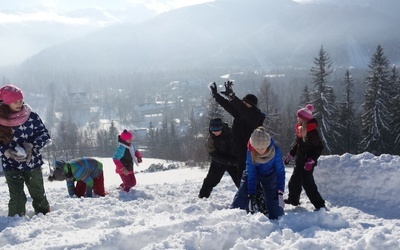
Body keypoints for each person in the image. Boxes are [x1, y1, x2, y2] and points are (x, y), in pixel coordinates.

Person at [209, 81, 267, 212]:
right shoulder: (243, 114)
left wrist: (232, 96)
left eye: (245, 103)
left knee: (250, 178)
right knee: (243, 178)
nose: (243, 105)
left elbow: (239, 107)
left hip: (249, 152)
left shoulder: (253, 115)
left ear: (251, 106)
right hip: (240, 151)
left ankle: (260, 203)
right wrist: (216, 96)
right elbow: (229, 107)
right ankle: (248, 201)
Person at [0, 84, 51, 216]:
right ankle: (15, 220)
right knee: (17, 197)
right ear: (6, 102)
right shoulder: (1, 120)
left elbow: (44, 134)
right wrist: (6, 151)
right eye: (15, 101)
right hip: (11, 164)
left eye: (21, 100)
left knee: (38, 193)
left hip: (32, 162)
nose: (19, 103)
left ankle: (44, 216)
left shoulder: (31, 116)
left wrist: (31, 146)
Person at [231, 126, 285, 219]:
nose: (260, 151)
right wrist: (251, 194)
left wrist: (280, 191)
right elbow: (251, 173)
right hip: (253, 174)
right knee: (243, 193)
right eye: (257, 149)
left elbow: (280, 172)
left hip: (270, 175)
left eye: (263, 148)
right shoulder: (250, 152)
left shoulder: (275, 151)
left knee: (276, 211)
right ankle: (234, 215)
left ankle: (273, 215)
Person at [283, 104, 326, 211]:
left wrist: (311, 160)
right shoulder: (301, 129)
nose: (297, 118)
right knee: (294, 181)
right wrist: (291, 154)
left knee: (308, 184)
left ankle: (319, 205)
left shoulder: (312, 132)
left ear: (304, 119)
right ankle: (293, 199)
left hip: (307, 163)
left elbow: (319, 147)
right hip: (300, 160)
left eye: (299, 117)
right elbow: (298, 145)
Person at [199, 118, 240, 198]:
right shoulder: (211, 138)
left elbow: (239, 146)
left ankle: (247, 197)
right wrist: (227, 161)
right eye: (213, 130)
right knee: (210, 180)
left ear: (221, 128)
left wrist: (237, 159)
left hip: (234, 160)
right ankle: (203, 196)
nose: (215, 132)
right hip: (219, 162)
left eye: (217, 130)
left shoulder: (231, 133)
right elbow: (213, 154)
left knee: (240, 179)